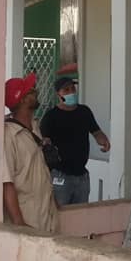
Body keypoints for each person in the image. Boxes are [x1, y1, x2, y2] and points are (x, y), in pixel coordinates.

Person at [40, 76, 110, 207]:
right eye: (66, 90)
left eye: (73, 88)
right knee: (60, 216)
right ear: (58, 95)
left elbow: (96, 131)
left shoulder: (84, 112)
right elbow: (43, 142)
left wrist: (103, 140)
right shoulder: (51, 116)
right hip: (60, 175)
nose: (71, 92)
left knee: (81, 215)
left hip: (82, 176)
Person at [3, 73, 59, 232]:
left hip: (46, 212)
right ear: (22, 99)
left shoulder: (34, 127)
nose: (36, 91)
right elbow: (7, 183)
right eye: (30, 91)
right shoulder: (8, 135)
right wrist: (19, 223)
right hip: (29, 215)